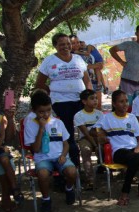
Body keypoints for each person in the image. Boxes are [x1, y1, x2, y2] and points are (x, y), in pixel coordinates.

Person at [35, 32, 92, 166]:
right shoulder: (49, 61)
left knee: (86, 131)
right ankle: (74, 164)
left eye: (68, 44)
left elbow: (87, 80)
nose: (65, 47)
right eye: (61, 44)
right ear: (55, 46)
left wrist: (89, 96)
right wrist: (54, 91)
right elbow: (40, 83)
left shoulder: (78, 59)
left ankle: (90, 165)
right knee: (69, 133)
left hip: (80, 100)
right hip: (61, 102)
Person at [95, 90, 139, 206]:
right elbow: (94, 131)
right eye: (121, 102)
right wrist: (102, 134)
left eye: (126, 101)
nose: (125, 104)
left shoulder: (132, 117)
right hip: (118, 151)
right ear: (114, 104)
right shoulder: (106, 118)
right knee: (135, 158)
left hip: (133, 149)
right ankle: (125, 192)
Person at [24, 90, 78, 212]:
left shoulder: (58, 122)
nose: (45, 114)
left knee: (72, 172)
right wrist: (41, 128)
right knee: (43, 174)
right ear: (34, 111)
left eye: (48, 110)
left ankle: (69, 188)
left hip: (60, 156)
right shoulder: (30, 124)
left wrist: (64, 155)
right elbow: (36, 149)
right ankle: (46, 198)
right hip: (42, 158)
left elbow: (66, 143)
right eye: (41, 112)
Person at [0, 89, 22, 212]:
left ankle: (12, 191)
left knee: (5, 160)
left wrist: (10, 118)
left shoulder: (0, 118)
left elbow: (5, 137)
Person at [109, 25, 139, 96]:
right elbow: (112, 50)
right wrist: (121, 61)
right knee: (126, 103)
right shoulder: (129, 44)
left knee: (138, 104)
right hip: (127, 79)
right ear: (136, 33)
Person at [74, 89, 102, 190]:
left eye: (96, 98)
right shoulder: (79, 115)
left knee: (104, 149)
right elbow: (86, 133)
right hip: (85, 138)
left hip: (98, 137)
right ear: (84, 101)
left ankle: (104, 168)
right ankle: (90, 178)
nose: (95, 101)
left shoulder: (99, 114)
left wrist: (99, 141)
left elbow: (102, 130)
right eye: (92, 99)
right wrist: (94, 144)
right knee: (86, 150)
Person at [70, 35, 105, 109]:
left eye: (77, 42)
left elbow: (99, 65)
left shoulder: (84, 51)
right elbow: (81, 68)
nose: (76, 44)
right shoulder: (70, 56)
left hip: (95, 81)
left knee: (98, 107)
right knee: (87, 108)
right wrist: (94, 65)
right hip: (84, 84)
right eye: (73, 43)